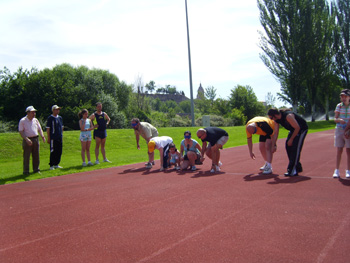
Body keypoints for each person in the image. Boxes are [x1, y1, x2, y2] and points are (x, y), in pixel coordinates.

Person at [268, 108, 308, 176]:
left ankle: (293, 170)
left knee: (295, 148)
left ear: (275, 115)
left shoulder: (288, 116)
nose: (272, 120)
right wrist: (274, 145)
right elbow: (276, 133)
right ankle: (297, 166)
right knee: (288, 146)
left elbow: (297, 127)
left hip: (301, 129)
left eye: (271, 118)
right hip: (293, 130)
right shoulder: (277, 120)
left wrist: (291, 139)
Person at [18, 106, 46, 175]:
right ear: (28, 113)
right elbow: (21, 131)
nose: (34, 114)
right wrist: (26, 139)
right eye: (32, 112)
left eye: (34, 112)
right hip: (28, 139)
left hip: (35, 138)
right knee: (27, 156)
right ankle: (26, 171)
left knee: (36, 155)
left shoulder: (35, 120)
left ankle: (36, 169)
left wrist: (42, 136)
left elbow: (39, 129)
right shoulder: (23, 121)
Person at [331, 89, 350, 178]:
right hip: (339, 130)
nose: (343, 98)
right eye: (342, 96)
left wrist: (348, 130)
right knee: (339, 150)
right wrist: (339, 120)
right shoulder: (339, 106)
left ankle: (348, 170)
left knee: (348, 151)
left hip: (349, 130)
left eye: (345, 96)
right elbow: (335, 119)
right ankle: (337, 170)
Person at [46, 105, 64, 170]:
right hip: (53, 137)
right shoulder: (50, 118)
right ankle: (51, 165)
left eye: (58, 110)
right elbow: (48, 128)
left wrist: (61, 135)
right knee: (53, 151)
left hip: (59, 137)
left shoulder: (60, 118)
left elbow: (62, 127)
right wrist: (49, 137)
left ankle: (56, 163)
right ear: (53, 110)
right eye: (56, 109)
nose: (58, 111)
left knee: (59, 151)